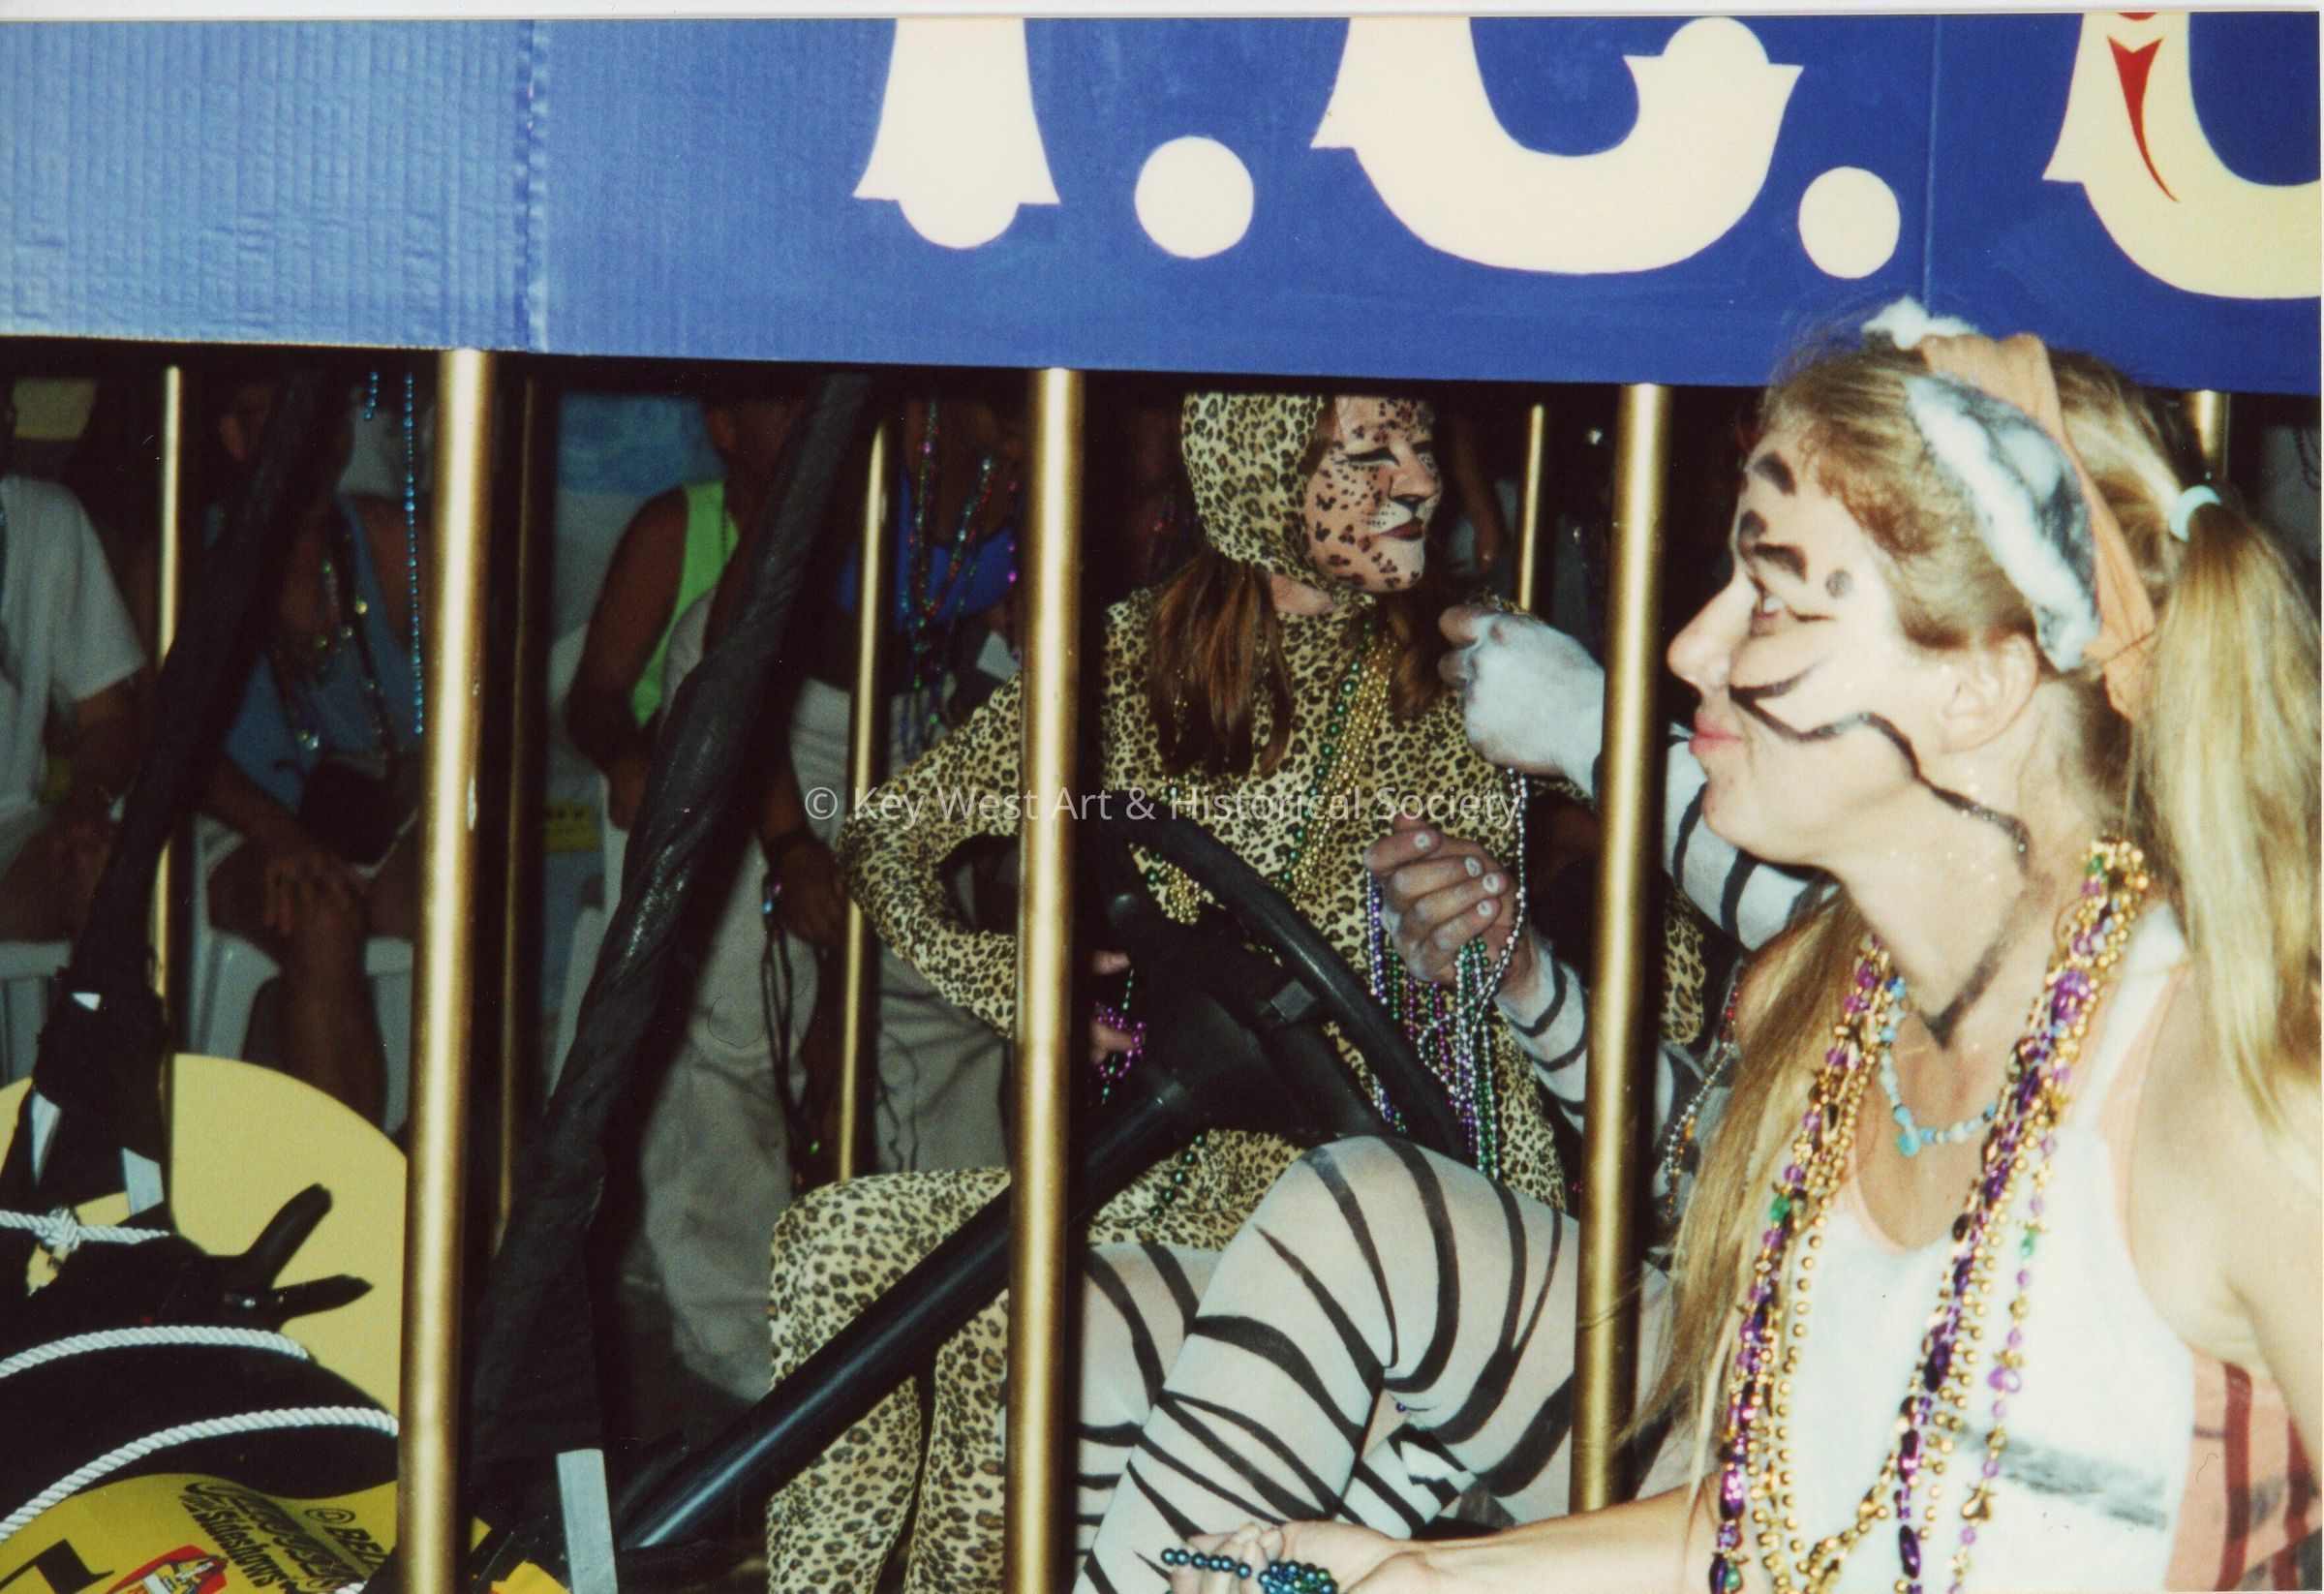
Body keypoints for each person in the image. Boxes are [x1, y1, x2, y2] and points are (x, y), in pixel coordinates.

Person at [1090, 303, 2319, 1594]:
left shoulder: (2238, 1083)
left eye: (1771, 601)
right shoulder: (1821, 1022)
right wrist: (1424, 1574)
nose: (1690, 646)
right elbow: (1758, 1523)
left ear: (1978, 685)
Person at [764, 388, 1727, 1593]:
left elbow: (1666, 886)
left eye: (1422, 445)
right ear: (1261, 469)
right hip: (1184, 1156)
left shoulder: (1482, 663)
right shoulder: (1132, 653)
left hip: (1418, 1179)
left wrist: (1532, 970)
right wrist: (1023, 982)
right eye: (1369, 453)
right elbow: (888, 834)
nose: (1420, 481)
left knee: (1007, 1323)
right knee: (830, 1243)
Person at [200, 374, 421, 1124]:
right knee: (320, 919)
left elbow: (467, 707)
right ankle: (339, 1176)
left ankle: (435, 1157)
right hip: (240, 826)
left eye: (328, 417)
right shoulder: (189, 559)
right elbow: (169, 751)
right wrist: (279, 831)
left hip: (376, 821)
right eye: (284, 417)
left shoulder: (389, 543)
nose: (318, 442)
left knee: (461, 903)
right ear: (236, 437)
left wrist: (415, 791)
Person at [0, 363, 148, 954]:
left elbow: (108, 718)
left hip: (11, 833)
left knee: (96, 865)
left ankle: (88, 1016)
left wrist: (83, 805)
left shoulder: (48, 522)